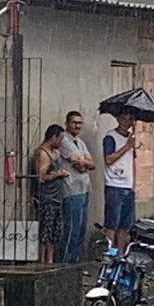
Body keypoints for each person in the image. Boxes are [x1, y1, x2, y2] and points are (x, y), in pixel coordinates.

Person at [57, 110, 95, 264]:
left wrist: (83, 162)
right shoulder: (64, 141)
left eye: (80, 123)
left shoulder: (80, 143)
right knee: (71, 229)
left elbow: (91, 164)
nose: (77, 126)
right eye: (74, 122)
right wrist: (83, 162)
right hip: (71, 190)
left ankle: (75, 262)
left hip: (84, 188)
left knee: (81, 230)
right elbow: (77, 162)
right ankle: (65, 263)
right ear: (67, 123)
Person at [31, 124, 68, 264]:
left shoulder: (56, 153)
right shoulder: (43, 154)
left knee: (54, 231)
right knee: (45, 231)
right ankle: (42, 260)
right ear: (53, 138)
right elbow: (41, 177)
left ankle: (50, 259)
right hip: (46, 197)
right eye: (60, 139)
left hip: (57, 197)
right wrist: (56, 175)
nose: (62, 142)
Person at [101, 113, 138, 254]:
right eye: (123, 118)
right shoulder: (110, 137)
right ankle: (109, 254)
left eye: (130, 119)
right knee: (112, 224)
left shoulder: (131, 139)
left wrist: (133, 184)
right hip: (114, 185)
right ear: (117, 119)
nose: (126, 122)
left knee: (124, 226)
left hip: (127, 186)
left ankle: (120, 256)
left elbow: (132, 161)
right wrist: (127, 147)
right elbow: (109, 159)